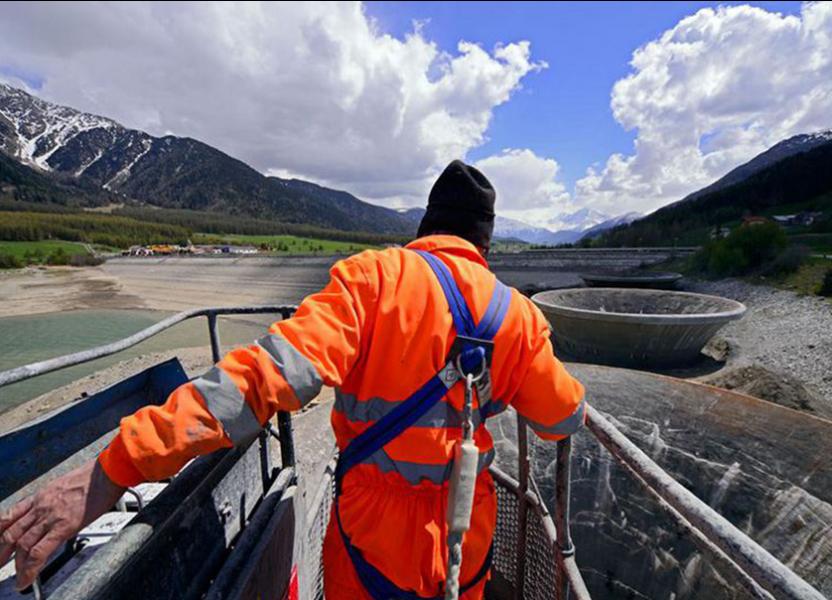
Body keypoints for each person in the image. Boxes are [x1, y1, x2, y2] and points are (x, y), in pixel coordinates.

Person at [0, 160, 585, 599]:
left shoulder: (373, 279)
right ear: (485, 243)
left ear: (425, 227)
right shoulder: (518, 316)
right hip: (467, 542)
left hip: (368, 544)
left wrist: (114, 469)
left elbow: (260, 380)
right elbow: (563, 419)